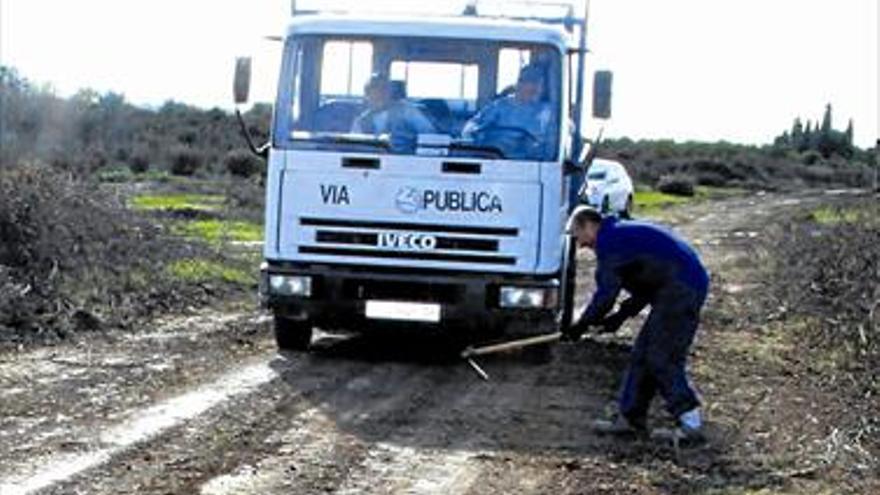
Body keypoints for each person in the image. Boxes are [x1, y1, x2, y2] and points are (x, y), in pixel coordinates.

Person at [564, 206, 710, 443]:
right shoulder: (620, 235)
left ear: (589, 225)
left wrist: (579, 327)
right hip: (675, 288)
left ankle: (690, 423)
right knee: (642, 355)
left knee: (661, 356)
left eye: (577, 236)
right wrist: (619, 318)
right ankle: (630, 419)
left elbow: (605, 296)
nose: (580, 245)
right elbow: (644, 287)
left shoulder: (610, 242)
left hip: (681, 290)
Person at [462, 64, 555, 160]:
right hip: (497, 159)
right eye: (529, 82)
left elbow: (560, 134)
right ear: (519, 84)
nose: (535, 88)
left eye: (539, 84)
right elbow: (472, 127)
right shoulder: (500, 107)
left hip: (534, 163)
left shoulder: (548, 112)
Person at [351, 73, 435, 153]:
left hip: (409, 161)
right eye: (374, 88)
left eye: (383, 88)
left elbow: (430, 134)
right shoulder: (361, 120)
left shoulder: (407, 111)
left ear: (390, 92)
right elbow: (354, 146)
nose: (379, 92)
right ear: (366, 94)